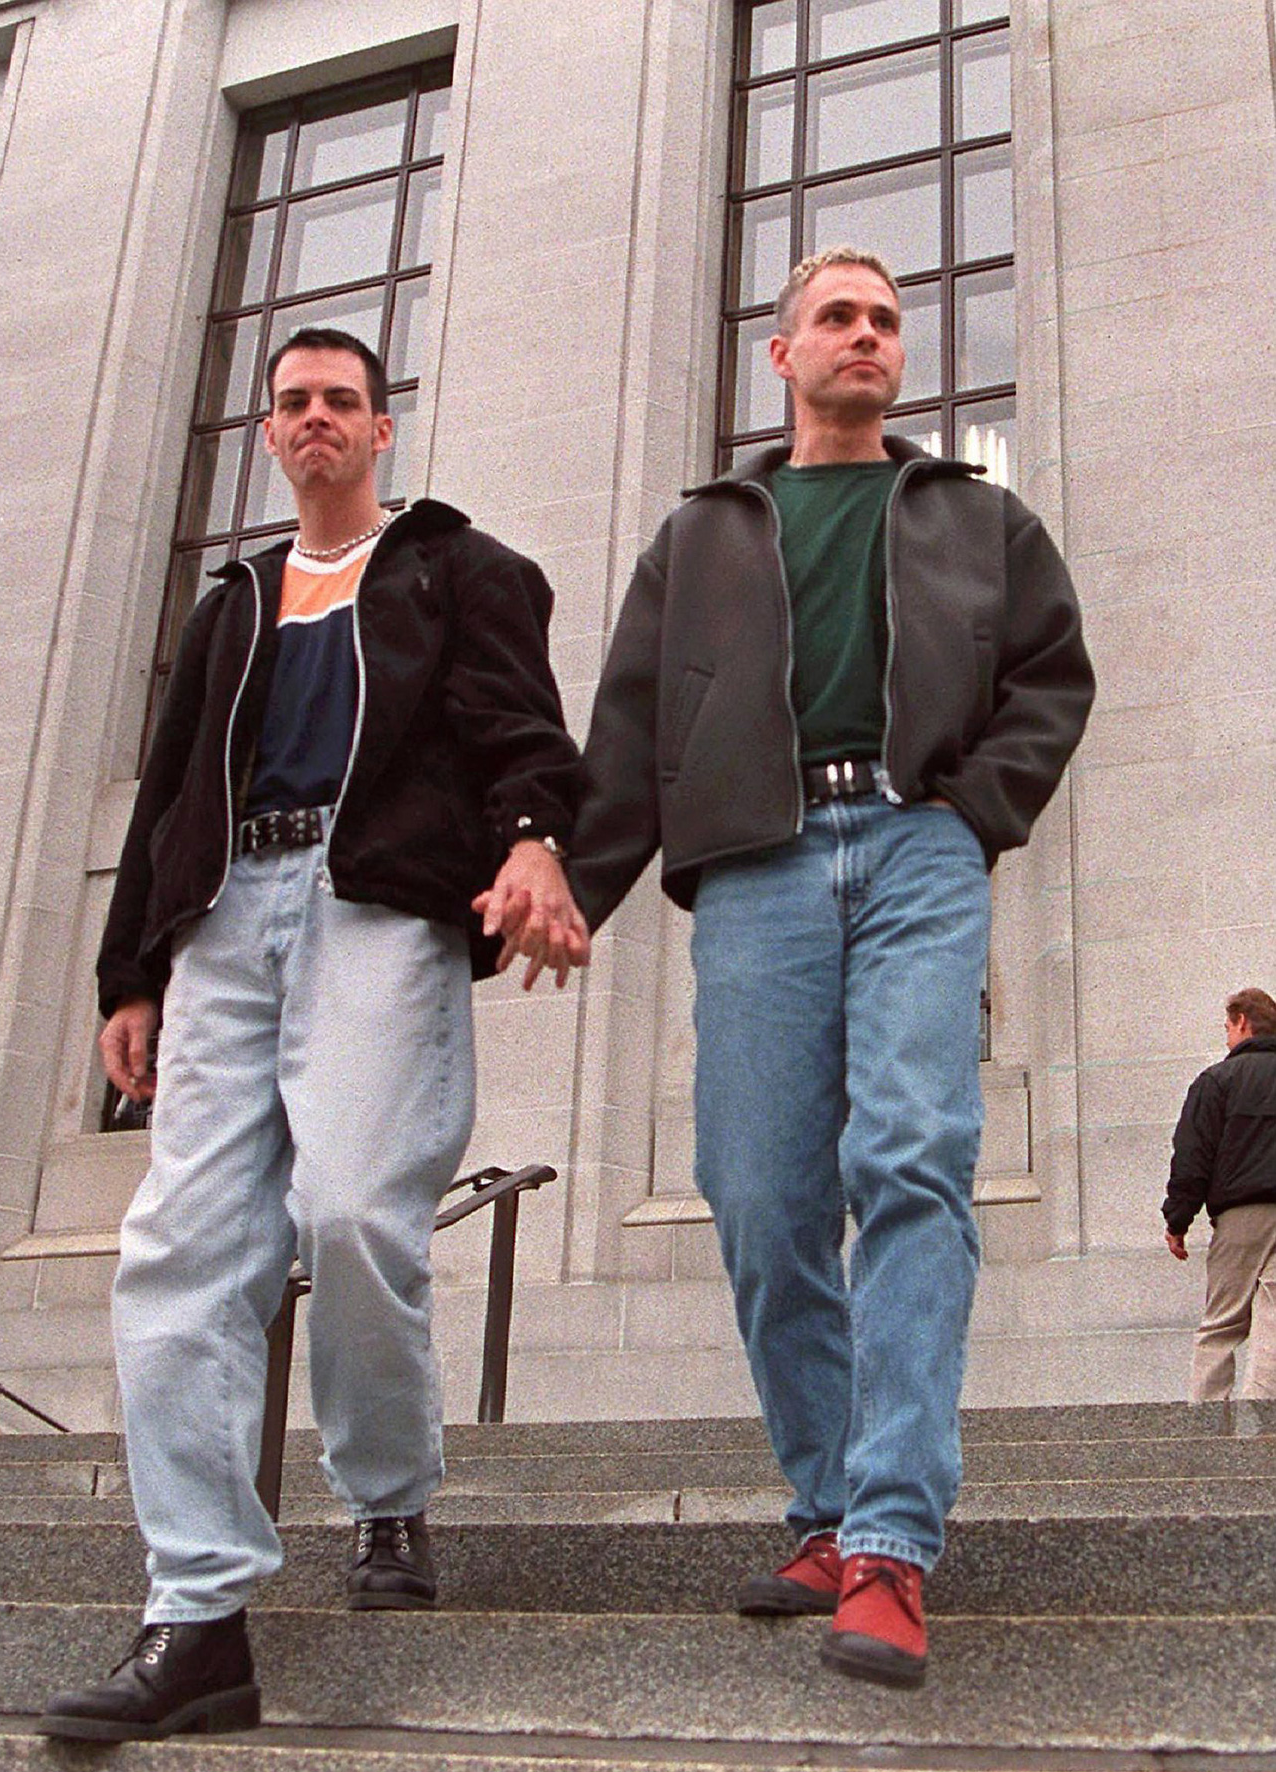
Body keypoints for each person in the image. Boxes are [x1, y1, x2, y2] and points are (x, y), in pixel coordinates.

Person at [485, 247, 1093, 1688]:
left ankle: (886, 1542)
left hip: (912, 853)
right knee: (759, 1197)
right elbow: (631, 727)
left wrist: (971, 808)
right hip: (754, 866)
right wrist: (568, 868)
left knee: (912, 1157)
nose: (867, 337)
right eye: (838, 316)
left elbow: (1051, 678)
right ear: (783, 354)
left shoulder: (975, 517)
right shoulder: (701, 533)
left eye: (886, 320)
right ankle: (825, 1498)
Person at [41, 327, 588, 1741]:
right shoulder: (230, 605)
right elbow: (168, 793)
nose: (317, 420)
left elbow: (520, 727)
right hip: (224, 930)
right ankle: (197, 1612)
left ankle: (388, 1499)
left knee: (353, 1213)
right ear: (270, 436)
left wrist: (534, 842)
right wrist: (130, 975)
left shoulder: (456, 569)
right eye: (293, 404)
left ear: (379, 429)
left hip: (374, 914)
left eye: (341, 400)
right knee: (176, 1251)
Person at [1163, 987, 1276, 1401]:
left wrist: (1178, 1220)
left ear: (1243, 1022)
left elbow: (1193, 1157)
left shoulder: (1217, 1081)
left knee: (1222, 1323)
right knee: (1274, 1317)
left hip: (1242, 1213)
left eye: (1227, 1026)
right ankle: (1262, 1417)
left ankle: (1208, 1424)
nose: (1226, 1035)